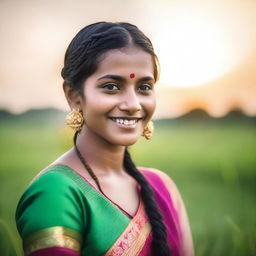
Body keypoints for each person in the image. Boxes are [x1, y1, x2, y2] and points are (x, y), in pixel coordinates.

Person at [15, 22, 194, 256]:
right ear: (74, 95)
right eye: (111, 86)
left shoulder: (163, 187)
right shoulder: (56, 192)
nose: (133, 104)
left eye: (144, 87)